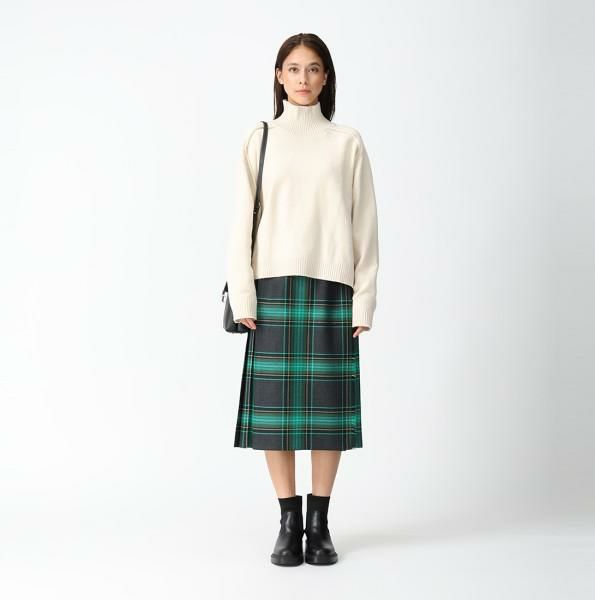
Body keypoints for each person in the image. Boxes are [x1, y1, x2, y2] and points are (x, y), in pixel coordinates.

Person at [225, 33, 379, 566]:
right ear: (279, 76)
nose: (304, 78)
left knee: (327, 415)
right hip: (270, 286)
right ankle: (288, 523)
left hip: (332, 286)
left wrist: (364, 300)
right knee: (276, 416)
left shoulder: (347, 142)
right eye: (293, 68)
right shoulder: (260, 137)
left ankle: (320, 523)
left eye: (313, 69)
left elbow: (365, 227)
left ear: (326, 77)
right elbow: (239, 221)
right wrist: (243, 293)